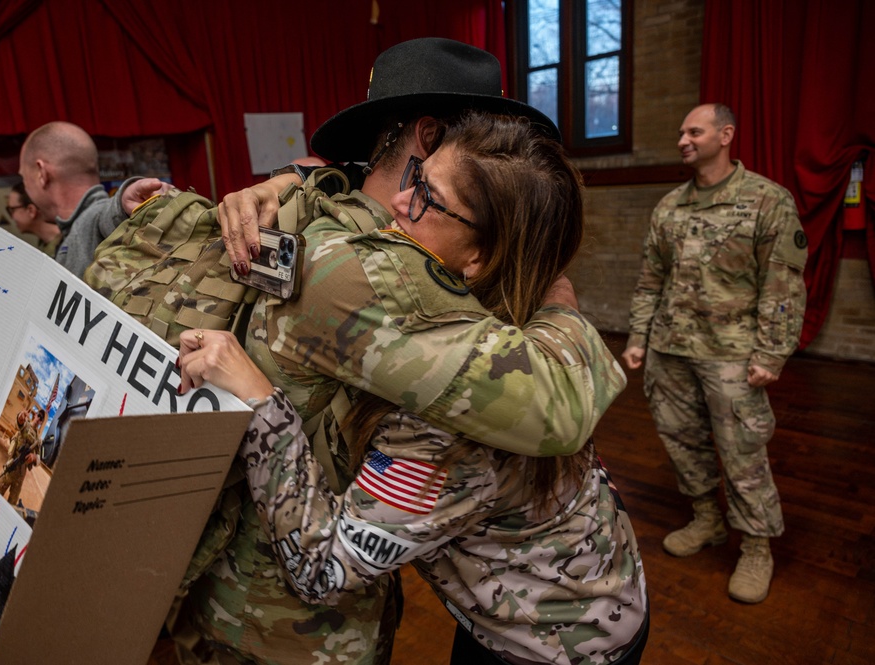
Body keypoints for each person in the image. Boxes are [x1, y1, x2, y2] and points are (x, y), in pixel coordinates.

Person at [167, 39, 629, 665]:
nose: (401, 209)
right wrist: (298, 178)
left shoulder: (446, 381)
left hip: (556, 641)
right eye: (417, 179)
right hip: (530, 611)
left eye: (429, 198)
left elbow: (324, 567)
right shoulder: (463, 287)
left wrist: (259, 403)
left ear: (483, 257)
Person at [620, 103, 807, 604]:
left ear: (725, 135)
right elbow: (650, 280)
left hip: (731, 353)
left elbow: (783, 285)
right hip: (669, 350)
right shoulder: (669, 207)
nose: (683, 138)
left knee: (742, 453)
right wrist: (638, 337)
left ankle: (757, 545)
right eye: (680, 130)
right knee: (683, 442)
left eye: (693, 131)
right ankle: (707, 519)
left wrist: (771, 351)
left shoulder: (767, 200)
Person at [18, 121, 168, 279]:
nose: (26, 187)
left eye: (23, 177)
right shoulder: (72, 232)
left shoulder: (91, 222)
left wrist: (124, 202)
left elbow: (105, 217)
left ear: (42, 173)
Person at [0, 409, 42, 508]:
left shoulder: (38, 440)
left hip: (21, 474)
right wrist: (20, 416)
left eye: (41, 418)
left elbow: (39, 459)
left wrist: (34, 458)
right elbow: (19, 423)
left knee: (12, 504)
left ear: (41, 422)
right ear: (35, 416)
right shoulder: (25, 425)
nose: (39, 419)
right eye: (38, 415)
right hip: (11, 465)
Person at [6, 181, 62, 257]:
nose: (12, 217)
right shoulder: (47, 244)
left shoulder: (67, 244)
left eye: (12, 210)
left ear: (31, 210)